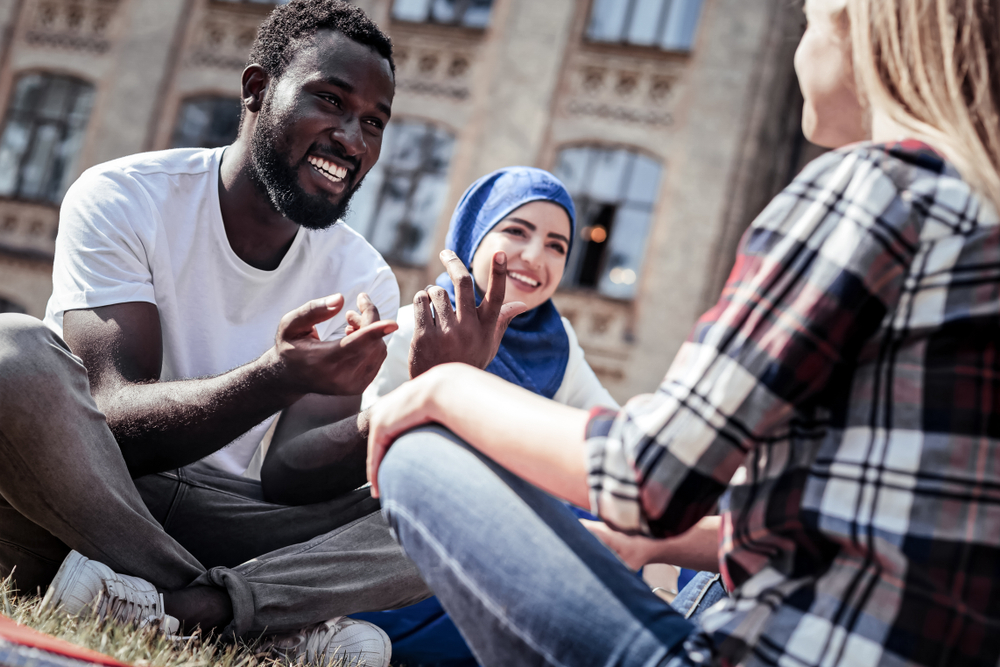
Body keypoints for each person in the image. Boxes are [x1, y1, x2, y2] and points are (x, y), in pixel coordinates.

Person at [363, 0, 1000, 664]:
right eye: (517, 231)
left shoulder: (871, 190)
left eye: (808, 19)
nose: (798, 47)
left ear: (853, 26)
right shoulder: (978, 213)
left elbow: (645, 476)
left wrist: (445, 389)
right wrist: (659, 543)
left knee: (420, 457)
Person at [0, 2, 431, 665]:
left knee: (452, 490)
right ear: (257, 90)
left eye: (374, 122)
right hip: (83, 504)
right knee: (11, 353)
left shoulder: (361, 274)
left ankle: (187, 607)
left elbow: (290, 475)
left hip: (230, 523)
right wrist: (276, 376)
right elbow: (112, 417)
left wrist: (415, 404)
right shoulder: (123, 197)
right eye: (331, 100)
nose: (353, 137)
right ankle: (248, 616)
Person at [350, 167, 616, 665]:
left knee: (629, 521)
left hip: (510, 551)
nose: (536, 256)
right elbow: (365, 475)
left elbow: (614, 438)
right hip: (405, 549)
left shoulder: (557, 346)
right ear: (474, 231)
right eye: (517, 231)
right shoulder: (420, 326)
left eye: (558, 245)